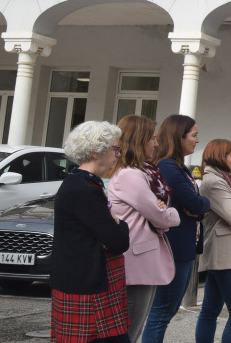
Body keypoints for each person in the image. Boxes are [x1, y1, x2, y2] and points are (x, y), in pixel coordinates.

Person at [50, 121, 130, 343]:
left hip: (86, 282)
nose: (118, 155)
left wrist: (114, 227)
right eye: (115, 149)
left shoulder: (84, 184)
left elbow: (108, 236)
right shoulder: (82, 188)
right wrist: (120, 225)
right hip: (85, 287)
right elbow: (117, 241)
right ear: (96, 152)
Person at [108, 115, 179, 343]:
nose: (156, 144)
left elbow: (157, 213)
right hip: (136, 262)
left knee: (132, 330)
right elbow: (160, 216)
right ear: (139, 141)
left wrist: (161, 212)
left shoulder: (140, 172)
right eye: (152, 138)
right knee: (129, 332)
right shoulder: (131, 174)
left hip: (141, 259)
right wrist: (172, 214)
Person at [145, 115, 208, 343]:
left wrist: (199, 204)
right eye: (194, 135)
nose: (197, 140)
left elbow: (199, 202)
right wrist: (199, 204)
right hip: (174, 247)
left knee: (166, 311)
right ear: (178, 137)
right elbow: (194, 202)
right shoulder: (168, 166)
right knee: (162, 311)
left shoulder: (179, 167)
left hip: (183, 247)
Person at [196, 139, 231, 343]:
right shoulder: (215, 182)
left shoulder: (222, 179)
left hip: (226, 249)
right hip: (225, 251)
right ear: (221, 157)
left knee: (210, 309)